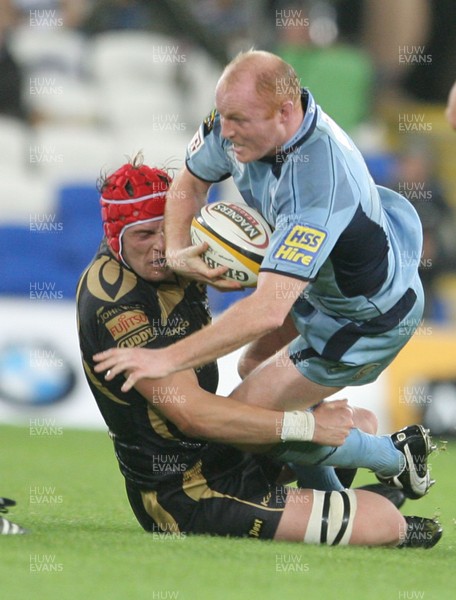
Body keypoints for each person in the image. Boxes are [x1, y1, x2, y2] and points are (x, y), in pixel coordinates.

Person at [93, 50, 432, 496]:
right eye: (224, 115)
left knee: (250, 424)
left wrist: (164, 359)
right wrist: (176, 251)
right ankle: (338, 490)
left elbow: (267, 312)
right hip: (323, 285)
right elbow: (190, 184)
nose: (224, 131)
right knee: (254, 367)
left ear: (285, 113)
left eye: (238, 120)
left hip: (366, 317)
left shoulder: (319, 183)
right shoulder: (238, 123)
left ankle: (393, 457)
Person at [82, 156, 442, 547]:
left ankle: (340, 497)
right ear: (116, 237)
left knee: (361, 421)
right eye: (142, 236)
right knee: (384, 521)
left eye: (164, 230)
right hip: (186, 493)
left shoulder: (185, 247)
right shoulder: (117, 305)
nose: (160, 247)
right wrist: (310, 426)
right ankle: (365, 500)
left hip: (220, 452)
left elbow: (276, 306)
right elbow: (191, 415)